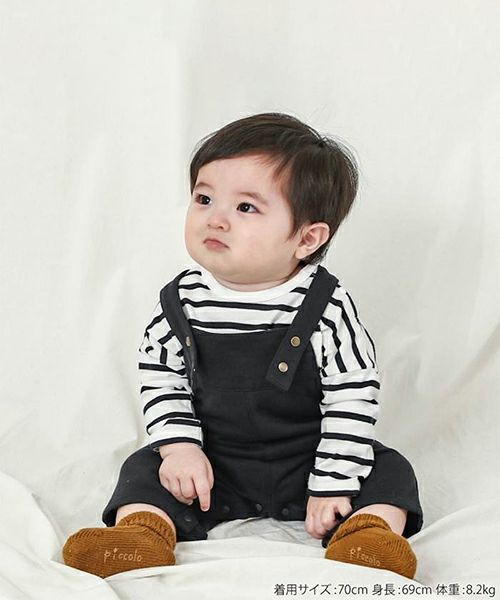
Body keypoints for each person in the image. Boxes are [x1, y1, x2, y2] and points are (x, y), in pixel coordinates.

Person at [62, 112, 423, 579]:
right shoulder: (180, 301)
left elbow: (353, 393)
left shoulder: (327, 306)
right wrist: (180, 448)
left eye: (246, 208)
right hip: (212, 468)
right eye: (204, 198)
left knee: (390, 470)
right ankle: (142, 534)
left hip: (308, 461)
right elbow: (161, 377)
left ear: (306, 238)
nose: (216, 219)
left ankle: (369, 535)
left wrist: (333, 482)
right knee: (143, 467)